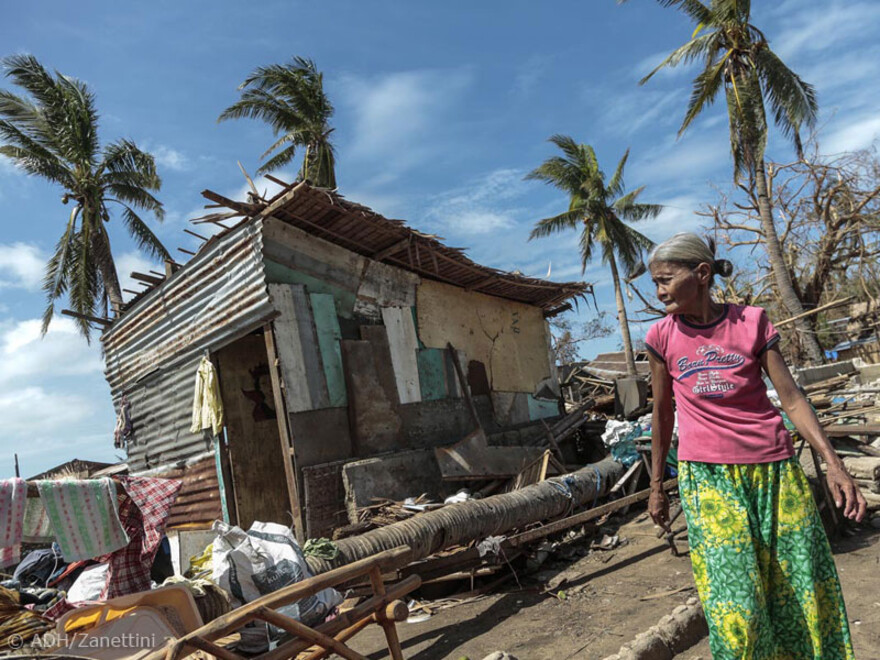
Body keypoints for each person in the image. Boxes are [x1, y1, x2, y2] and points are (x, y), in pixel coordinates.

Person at [645, 232, 865, 659]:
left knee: (800, 592)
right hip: (708, 480)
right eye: (656, 282)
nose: (659, 291)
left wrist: (834, 463)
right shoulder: (661, 338)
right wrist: (657, 486)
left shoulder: (752, 322)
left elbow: (792, 398)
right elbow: (661, 414)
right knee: (737, 608)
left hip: (775, 472)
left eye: (666, 280)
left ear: (702, 274)